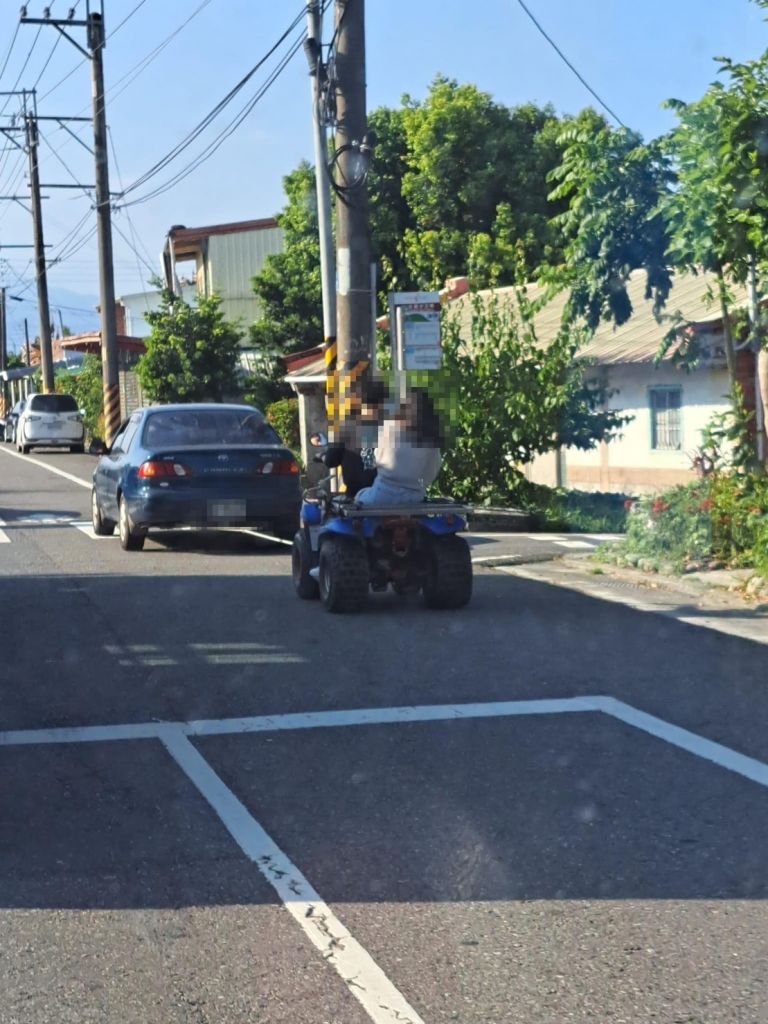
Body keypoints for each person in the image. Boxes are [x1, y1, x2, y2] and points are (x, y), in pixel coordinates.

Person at [354, 387, 442, 507]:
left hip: (382, 495)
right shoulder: (432, 438)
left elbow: (375, 460)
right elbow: (433, 470)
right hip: (416, 498)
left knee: (359, 496)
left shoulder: (390, 427)